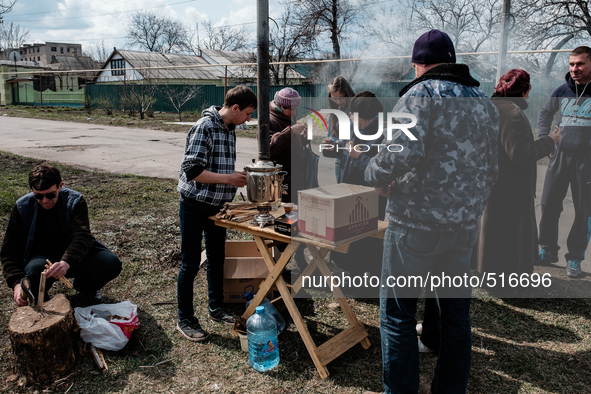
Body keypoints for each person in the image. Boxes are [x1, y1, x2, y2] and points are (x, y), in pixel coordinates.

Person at [365, 29, 499, 394]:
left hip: (414, 226)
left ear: (416, 65)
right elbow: (493, 167)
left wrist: (374, 176)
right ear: (452, 62)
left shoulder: (420, 94)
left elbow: (399, 153)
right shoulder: (484, 101)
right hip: (463, 229)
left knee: (397, 315)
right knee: (456, 319)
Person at [176, 86, 256, 342]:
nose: (248, 119)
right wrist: (228, 179)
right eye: (246, 113)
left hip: (217, 207)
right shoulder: (204, 127)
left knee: (217, 259)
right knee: (190, 264)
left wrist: (236, 179)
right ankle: (185, 319)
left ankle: (215, 308)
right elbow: (192, 170)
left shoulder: (230, 129)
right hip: (194, 205)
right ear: (234, 108)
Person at [475, 69, 561, 293]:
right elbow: (521, 153)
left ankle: (489, 277)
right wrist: (549, 141)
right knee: (510, 237)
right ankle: (507, 282)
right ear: (525, 89)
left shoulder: (488, 107)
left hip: (489, 182)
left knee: (491, 233)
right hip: (510, 186)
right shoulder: (512, 113)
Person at [1, 162, 122, 306]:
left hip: (73, 257)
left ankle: (85, 289)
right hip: (41, 261)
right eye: (38, 196)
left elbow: (82, 235)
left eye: (51, 195)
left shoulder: (74, 201)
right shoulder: (22, 207)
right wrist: (16, 283)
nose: (45, 201)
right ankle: (41, 299)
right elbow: (10, 250)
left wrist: (66, 262)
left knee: (110, 263)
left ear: (60, 186)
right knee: (33, 271)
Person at [321, 91, 386, 294]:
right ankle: (353, 276)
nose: (349, 117)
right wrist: (330, 147)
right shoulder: (357, 131)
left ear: (363, 116)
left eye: (352, 114)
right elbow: (345, 148)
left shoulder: (382, 136)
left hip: (370, 198)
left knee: (367, 241)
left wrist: (359, 158)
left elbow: (382, 170)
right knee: (351, 239)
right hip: (349, 193)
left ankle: (371, 281)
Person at [537, 46, 591, 278]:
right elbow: (544, 114)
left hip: (586, 162)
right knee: (548, 204)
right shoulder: (562, 90)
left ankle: (575, 259)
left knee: (583, 211)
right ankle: (548, 250)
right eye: (571, 64)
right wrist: (545, 140)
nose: (575, 68)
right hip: (559, 157)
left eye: (580, 64)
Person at [269, 87, 306, 203]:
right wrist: (290, 131)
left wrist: (303, 138)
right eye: (291, 109)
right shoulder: (269, 120)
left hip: (295, 179)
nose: (294, 113)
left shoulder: (287, 116)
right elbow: (270, 148)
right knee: (284, 216)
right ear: (280, 106)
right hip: (282, 181)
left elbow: (290, 144)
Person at [327, 76, 355, 182]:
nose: (338, 102)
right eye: (334, 99)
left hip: (356, 160)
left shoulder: (359, 107)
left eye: (341, 98)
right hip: (341, 160)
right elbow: (331, 134)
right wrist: (332, 142)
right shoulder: (334, 113)